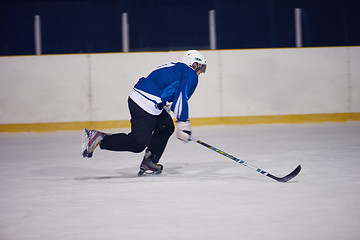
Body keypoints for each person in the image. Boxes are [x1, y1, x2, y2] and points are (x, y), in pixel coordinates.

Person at [81, 50, 207, 176]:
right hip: (145, 104)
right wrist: (183, 123)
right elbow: (181, 99)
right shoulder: (190, 74)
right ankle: (99, 138)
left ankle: (150, 162)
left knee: (166, 126)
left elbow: (161, 84)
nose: (201, 71)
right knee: (137, 143)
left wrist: (162, 103)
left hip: (141, 99)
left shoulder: (177, 67)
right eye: (201, 67)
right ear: (194, 65)